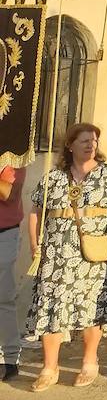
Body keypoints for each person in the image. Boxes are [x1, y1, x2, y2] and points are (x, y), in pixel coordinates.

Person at [25, 123, 107, 391]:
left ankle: (89, 362)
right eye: (84, 140)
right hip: (56, 256)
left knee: (91, 307)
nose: (90, 144)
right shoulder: (54, 178)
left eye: (94, 140)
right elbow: (36, 210)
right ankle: (49, 367)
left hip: (93, 253)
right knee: (50, 307)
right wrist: (35, 244)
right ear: (70, 145)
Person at [0, 162, 25, 380]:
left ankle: (9, 358)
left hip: (4, 234)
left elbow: (6, 192)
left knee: (3, 298)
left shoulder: (13, 156)